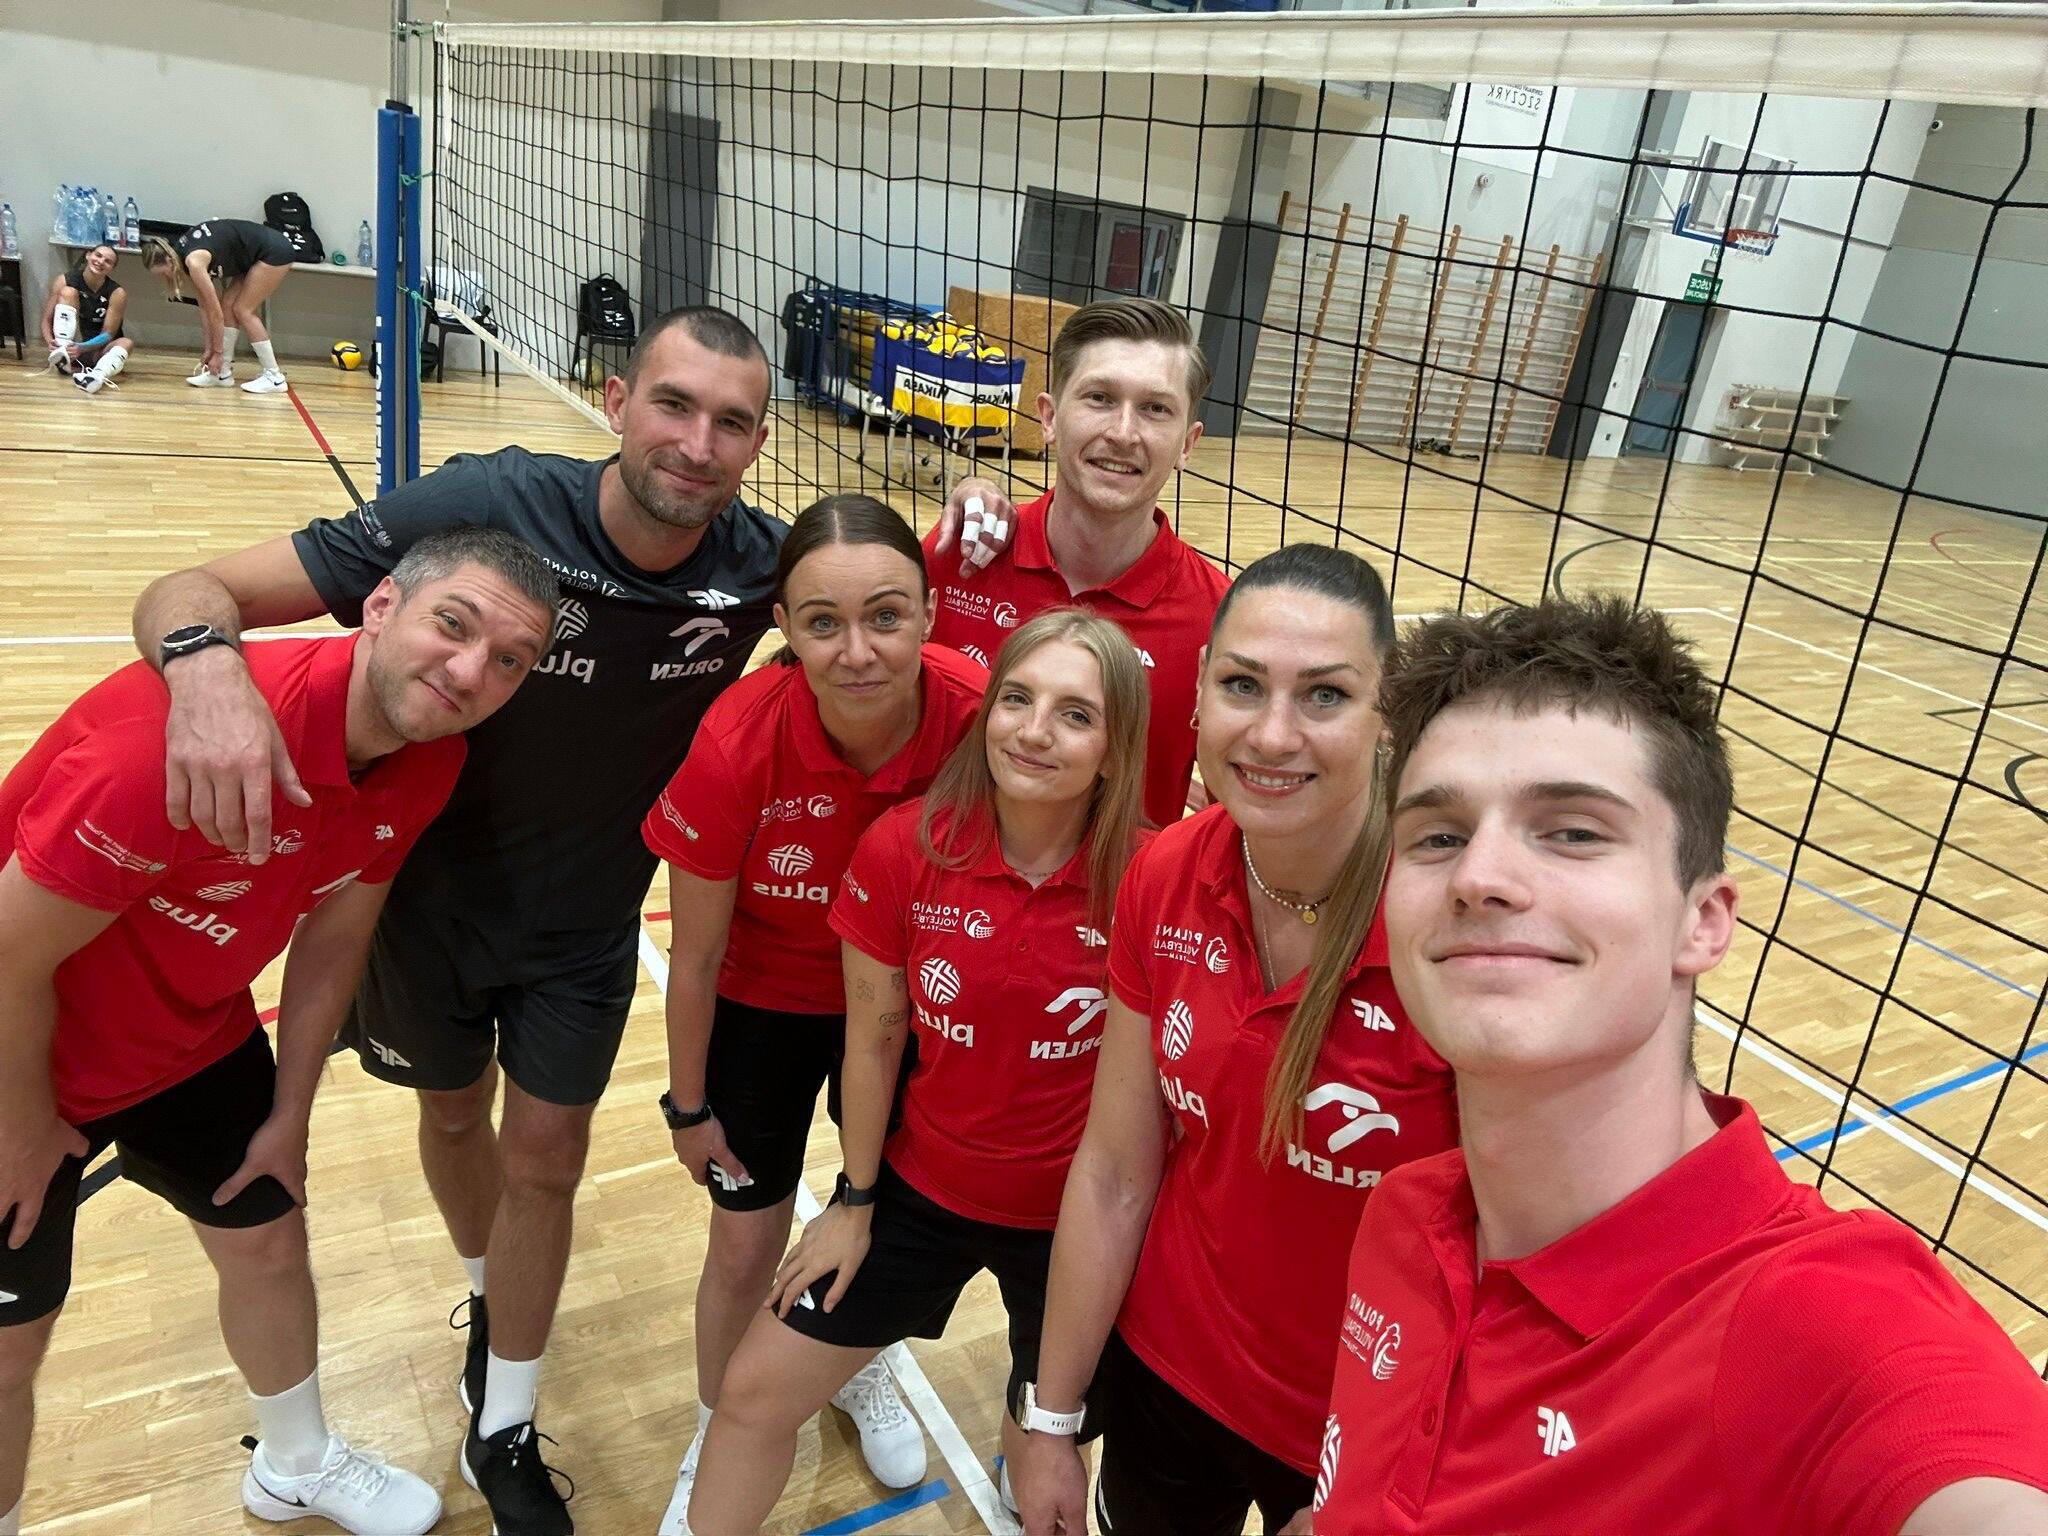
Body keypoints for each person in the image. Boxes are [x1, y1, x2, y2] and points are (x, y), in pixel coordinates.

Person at [130, 302, 1002, 1535]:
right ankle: (489, 1298)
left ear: (758, 444)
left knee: (545, 1160)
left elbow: (861, 595)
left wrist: (971, 500)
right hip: (418, 909)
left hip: (585, 927)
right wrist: (204, 668)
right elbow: (201, 587)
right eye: (673, 405)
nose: (696, 443)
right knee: (451, 1117)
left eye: (731, 422)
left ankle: (505, 1420)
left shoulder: (758, 569)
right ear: (614, 400)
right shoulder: (487, 505)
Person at [1311, 594, 2048, 1536]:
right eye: (1438, 836)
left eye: (1573, 831)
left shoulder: (1818, 1330)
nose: (1478, 876)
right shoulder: (1405, 1220)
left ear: (1703, 921)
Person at [0, 527, 557, 1536]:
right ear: (378, 608)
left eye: (510, 661)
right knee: (8, 1352)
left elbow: (336, 938)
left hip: (190, 1037)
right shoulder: (155, 758)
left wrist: (289, 1114)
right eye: (452, 624)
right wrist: (26, 1125)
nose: (471, 671)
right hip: (16, 1055)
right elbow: (4, 960)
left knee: (267, 1241)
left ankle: (293, 1466)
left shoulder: (426, 763)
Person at [1011, 544, 1460, 1536]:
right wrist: (1049, 1418)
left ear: (1387, 714)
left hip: (1368, 1435)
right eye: (1242, 685)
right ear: (1200, 691)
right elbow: (1114, 1170)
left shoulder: (1453, 924)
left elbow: (1518, 1269)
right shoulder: (1166, 872)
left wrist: (1375, 1493)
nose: (1271, 734)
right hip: (1170, 1376)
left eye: (1325, 695)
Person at [685, 607, 1153, 1535]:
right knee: (751, 1393)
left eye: (1075, 714)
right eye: (1016, 699)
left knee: (1046, 1457)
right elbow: (873, 1041)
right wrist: (854, 1200)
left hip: (1077, 1222)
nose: (1033, 730)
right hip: (920, 1191)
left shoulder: (1150, 874)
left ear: (1115, 749)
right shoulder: (907, 846)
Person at [643, 494, 990, 1534]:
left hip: (903, 1006)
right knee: (745, 1242)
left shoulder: (977, 717)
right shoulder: (739, 740)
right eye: (822, 623)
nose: (857, 651)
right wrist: (686, 1105)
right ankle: (720, 1425)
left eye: (885, 616)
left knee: (876, 1214)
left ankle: (854, 1363)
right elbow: (696, 954)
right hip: (765, 1001)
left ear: (928, 615)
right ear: (784, 628)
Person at [936, 297, 1231, 829]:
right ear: (1049, 417)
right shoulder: (959, 552)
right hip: (935, 870)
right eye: (1099, 398)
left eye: (1156, 409)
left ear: (1187, 444)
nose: (1123, 433)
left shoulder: (1218, 620)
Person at [141, 218, 299, 393]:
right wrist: (209, 349)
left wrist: (217, 353)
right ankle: (222, 373)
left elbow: (215, 313)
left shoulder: (194, 262)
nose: (166, 278)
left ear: (170, 261)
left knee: (243, 310)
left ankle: (274, 377)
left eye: (164, 273)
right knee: (227, 306)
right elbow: (204, 307)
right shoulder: (182, 256)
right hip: (252, 255)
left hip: (273, 251)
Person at [40, 243, 133, 395]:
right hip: (71, 348)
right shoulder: (65, 280)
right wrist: (51, 343)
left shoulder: (117, 293)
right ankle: (63, 356)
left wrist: (82, 347)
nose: (101, 261)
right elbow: (46, 320)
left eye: (108, 261)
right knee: (68, 292)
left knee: (127, 343)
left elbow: (108, 334)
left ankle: (96, 376)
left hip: (97, 350)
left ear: (112, 268)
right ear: (88, 255)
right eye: (98, 255)